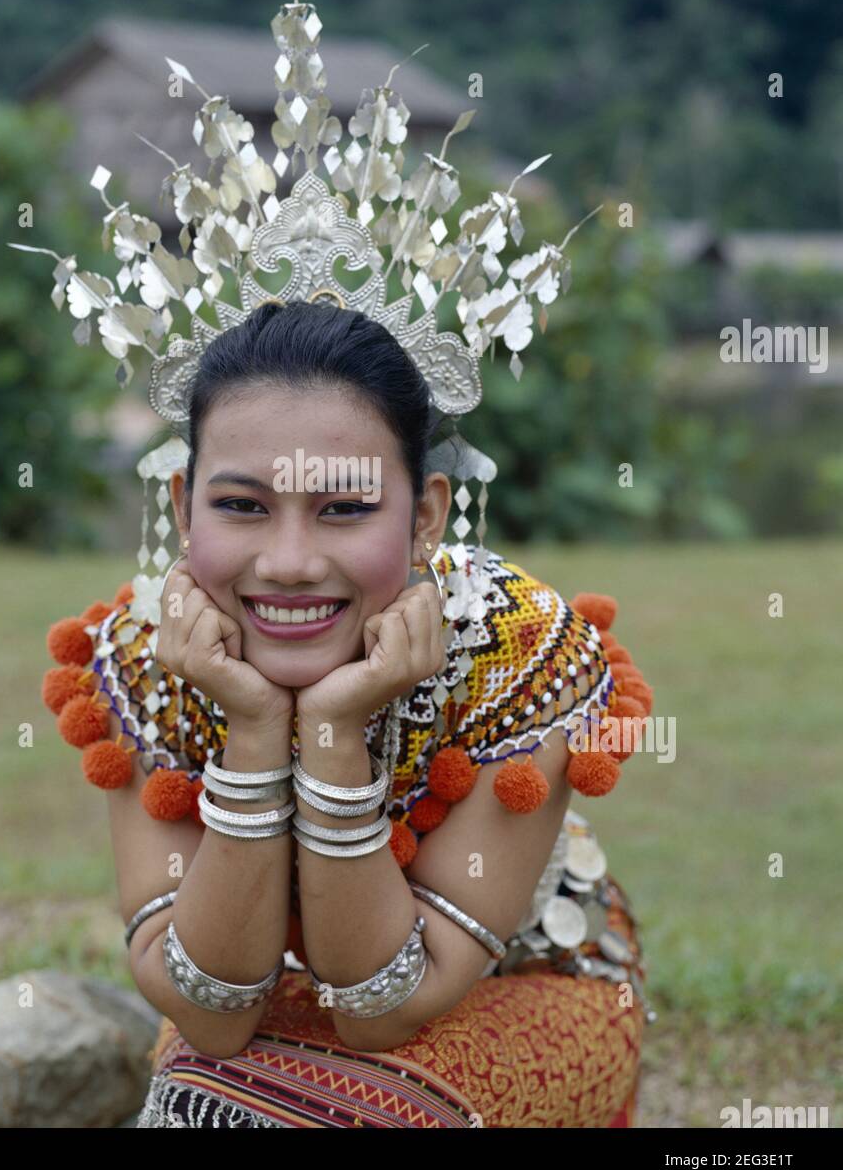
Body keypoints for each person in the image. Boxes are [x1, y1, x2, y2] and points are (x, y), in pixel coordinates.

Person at [44, 299, 655, 1127]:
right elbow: (212, 1014)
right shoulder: (147, 657)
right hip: (276, 1002)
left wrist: (331, 732)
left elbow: (382, 1010)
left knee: (350, 1113)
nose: (290, 563)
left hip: (524, 986)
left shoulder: (520, 650)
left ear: (426, 516)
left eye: (345, 508)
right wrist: (256, 729)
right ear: (184, 507)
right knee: (207, 1097)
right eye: (242, 506)